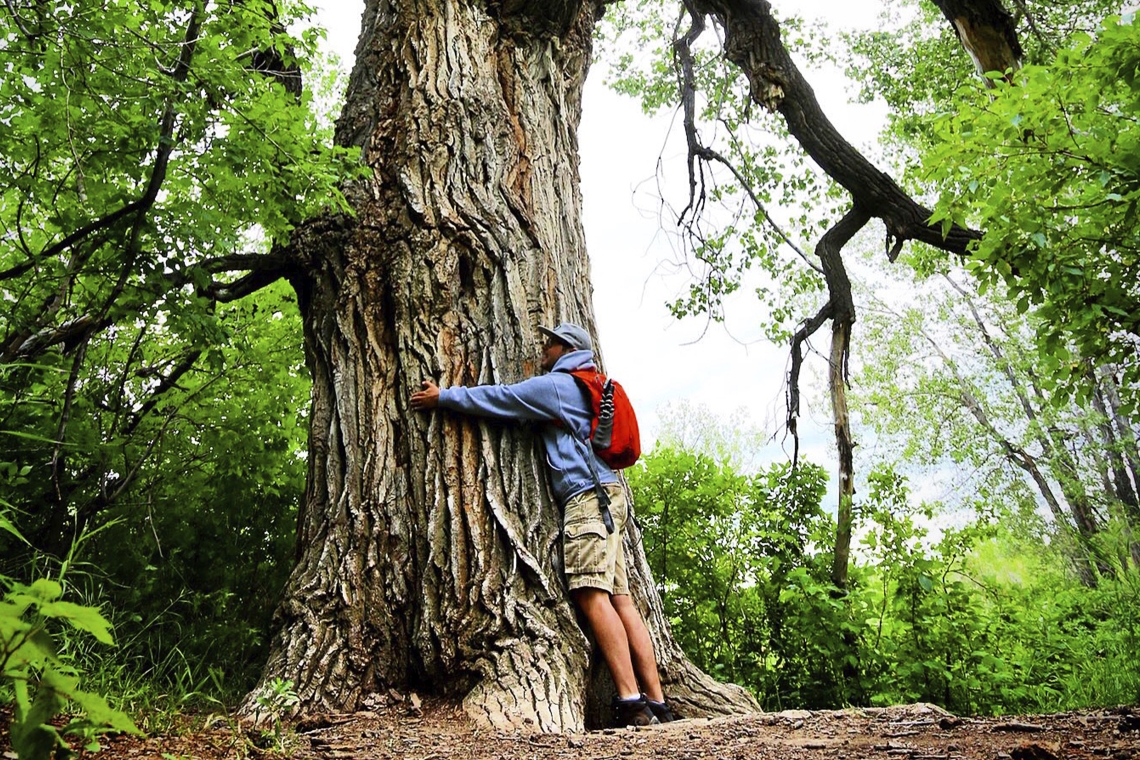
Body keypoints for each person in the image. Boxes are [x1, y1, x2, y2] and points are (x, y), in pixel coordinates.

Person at [410, 322, 676, 728]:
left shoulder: (557, 386)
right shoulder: (592, 383)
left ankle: (631, 701)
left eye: (549, 344)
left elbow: (503, 398)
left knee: (592, 596)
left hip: (589, 499)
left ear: (565, 348)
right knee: (622, 600)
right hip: (609, 496)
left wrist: (443, 396)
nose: (543, 349)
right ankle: (657, 702)